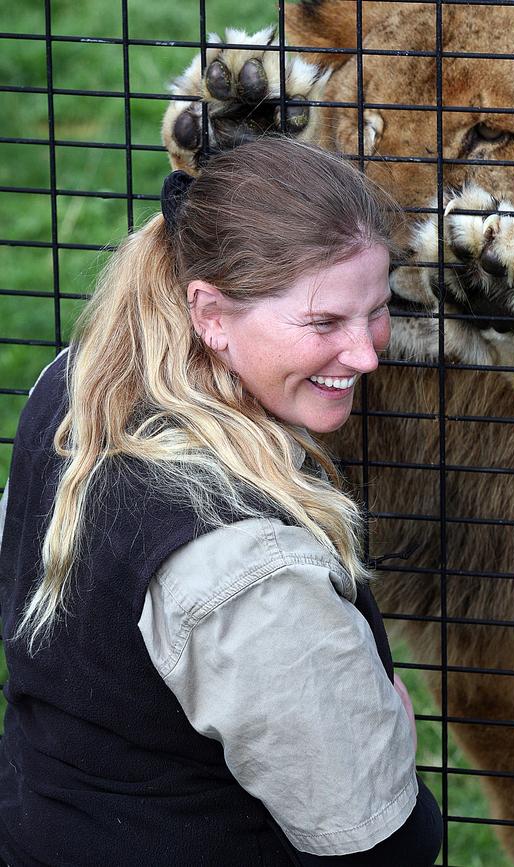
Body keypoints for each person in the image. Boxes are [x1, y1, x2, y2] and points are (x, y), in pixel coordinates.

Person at [0, 138, 442, 866]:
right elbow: (377, 842)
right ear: (209, 310)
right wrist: (385, 725)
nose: (366, 354)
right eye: (325, 323)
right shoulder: (247, 566)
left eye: (378, 308)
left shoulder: (78, 379)